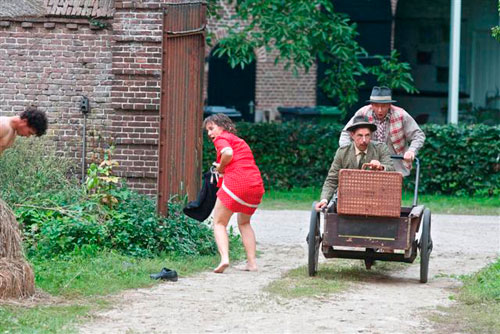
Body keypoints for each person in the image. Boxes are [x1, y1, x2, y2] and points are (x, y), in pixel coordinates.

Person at [203, 113, 265, 273]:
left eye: (211, 128)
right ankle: (252, 263)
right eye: (207, 131)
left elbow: (228, 153)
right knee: (244, 223)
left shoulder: (221, 138)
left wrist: (221, 168)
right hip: (255, 184)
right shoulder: (240, 141)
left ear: (222, 126)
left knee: (219, 222)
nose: (210, 134)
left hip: (237, 182)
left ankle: (224, 259)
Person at [339, 86, 425, 176]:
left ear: (389, 105)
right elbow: (346, 133)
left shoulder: (401, 115)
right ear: (371, 104)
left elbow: (418, 135)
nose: (380, 110)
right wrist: (348, 151)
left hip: (395, 166)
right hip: (367, 164)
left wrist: (411, 151)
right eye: (376, 105)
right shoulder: (363, 113)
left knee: (392, 189)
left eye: (383, 106)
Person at [316, 116, 395, 211]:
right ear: (352, 135)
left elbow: (392, 170)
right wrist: (324, 200)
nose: (364, 140)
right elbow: (332, 179)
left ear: (371, 135)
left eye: (367, 135)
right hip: (348, 198)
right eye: (360, 136)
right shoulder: (342, 152)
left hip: (374, 197)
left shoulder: (381, 148)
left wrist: (381, 167)